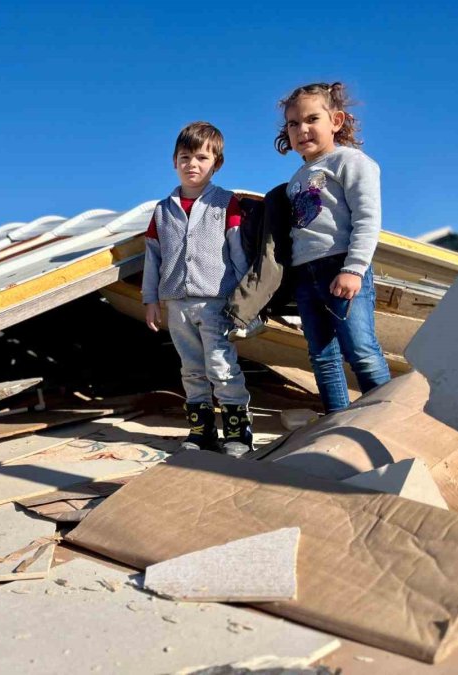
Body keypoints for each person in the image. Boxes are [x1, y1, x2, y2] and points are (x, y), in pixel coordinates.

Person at [277, 81, 390, 412]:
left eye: (312, 119)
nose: (302, 129)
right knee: (322, 356)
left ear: (336, 121)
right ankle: (336, 422)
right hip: (304, 274)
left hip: (341, 267)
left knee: (361, 350)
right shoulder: (297, 177)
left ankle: (382, 421)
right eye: (294, 123)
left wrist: (353, 269)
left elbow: (367, 220)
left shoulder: (351, 162)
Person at [142, 121, 252, 457]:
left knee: (220, 365)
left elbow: (238, 253)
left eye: (202, 158)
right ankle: (201, 432)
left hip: (216, 302)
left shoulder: (225, 204)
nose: (193, 164)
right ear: (174, 161)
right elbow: (153, 258)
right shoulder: (162, 211)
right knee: (191, 368)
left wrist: (246, 300)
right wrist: (150, 300)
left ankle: (237, 433)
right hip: (177, 305)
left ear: (216, 163)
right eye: (185, 157)